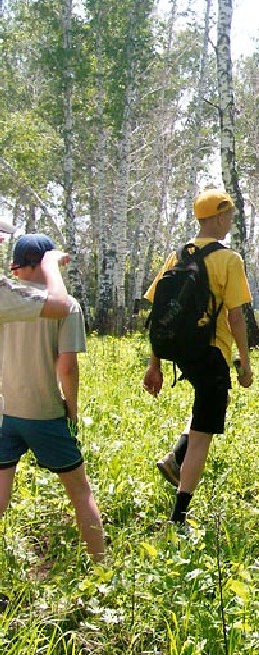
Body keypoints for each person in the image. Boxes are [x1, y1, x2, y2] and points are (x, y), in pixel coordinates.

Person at [143, 189, 254, 526]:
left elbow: (158, 313)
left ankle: (176, 457)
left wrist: (155, 365)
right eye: (229, 216)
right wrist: (245, 363)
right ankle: (179, 516)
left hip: (182, 353)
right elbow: (236, 317)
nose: (230, 221)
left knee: (204, 408)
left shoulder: (177, 256)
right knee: (204, 431)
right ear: (219, 217)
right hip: (211, 352)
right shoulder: (229, 259)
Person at [0, 234, 104, 562]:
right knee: (80, 492)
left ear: (17, 265)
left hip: (5, 412)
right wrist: (71, 411)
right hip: (45, 412)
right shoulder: (65, 306)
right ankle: (102, 570)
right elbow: (68, 368)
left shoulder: (6, 295)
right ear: (47, 263)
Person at [0, 220, 72, 322]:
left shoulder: (8, 294)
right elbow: (60, 305)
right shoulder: (71, 304)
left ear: (15, 269)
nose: (2, 239)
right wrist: (51, 263)